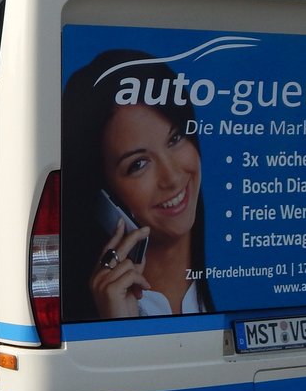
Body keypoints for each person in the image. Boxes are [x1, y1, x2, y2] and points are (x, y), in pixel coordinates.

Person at [62, 49, 212, 319]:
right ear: (103, 198)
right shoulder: (100, 313)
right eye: (138, 164)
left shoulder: (239, 281)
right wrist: (116, 324)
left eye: (175, 138)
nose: (172, 177)